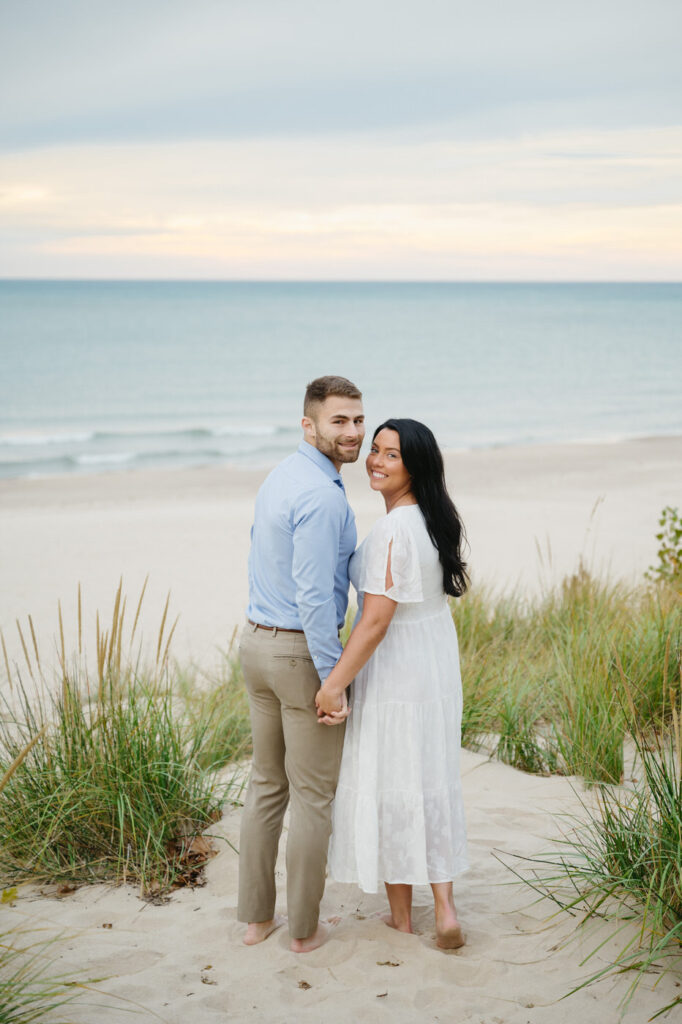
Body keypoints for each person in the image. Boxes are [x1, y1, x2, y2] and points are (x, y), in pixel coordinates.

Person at [316, 418, 469, 949]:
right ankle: (445, 908)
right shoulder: (432, 520)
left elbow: (376, 621)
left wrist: (335, 684)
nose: (376, 461)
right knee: (429, 775)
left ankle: (404, 921)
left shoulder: (390, 532)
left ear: (415, 465)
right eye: (374, 451)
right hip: (433, 661)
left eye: (391, 455)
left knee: (393, 780)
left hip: (398, 666)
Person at [237, 375, 364, 953]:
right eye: (339, 421)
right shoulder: (320, 494)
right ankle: (305, 932)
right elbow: (316, 597)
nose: (353, 432)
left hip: (255, 645)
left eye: (358, 420)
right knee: (311, 795)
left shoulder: (280, 476)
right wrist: (332, 679)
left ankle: (256, 920)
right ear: (308, 425)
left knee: (266, 786)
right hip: (296, 653)